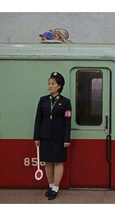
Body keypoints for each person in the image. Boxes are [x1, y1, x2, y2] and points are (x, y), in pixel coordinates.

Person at [33, 72, 72, 200]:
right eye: (49, 83)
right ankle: (50, 186)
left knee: (58, 162)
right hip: (45, 137)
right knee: (48, 162)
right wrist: (36, 137)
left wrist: (66, 138)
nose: (50, 86)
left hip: (59, 138)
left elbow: (67, 121)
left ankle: (56, 187)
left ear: (59, 86)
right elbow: (38, 119)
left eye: (53, 84)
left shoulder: (65, 102)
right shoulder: (43, 100)